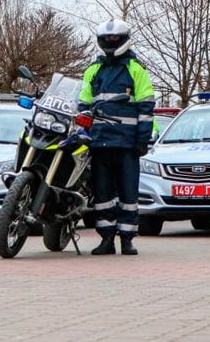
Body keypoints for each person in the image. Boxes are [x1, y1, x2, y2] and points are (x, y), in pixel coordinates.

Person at [78, 19, 155, 255]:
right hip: (100, 142)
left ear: (125, 39)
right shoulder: (93, 70)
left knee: (128, 193)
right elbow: (83, 106)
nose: (111, 42)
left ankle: (127, 239)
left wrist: (142, 140)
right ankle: (106, 239)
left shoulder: (136, 69)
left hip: (127, 144)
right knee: (103, 194)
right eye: (107, 39)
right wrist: (83, 133)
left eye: (116, 39)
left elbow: (146, 106)